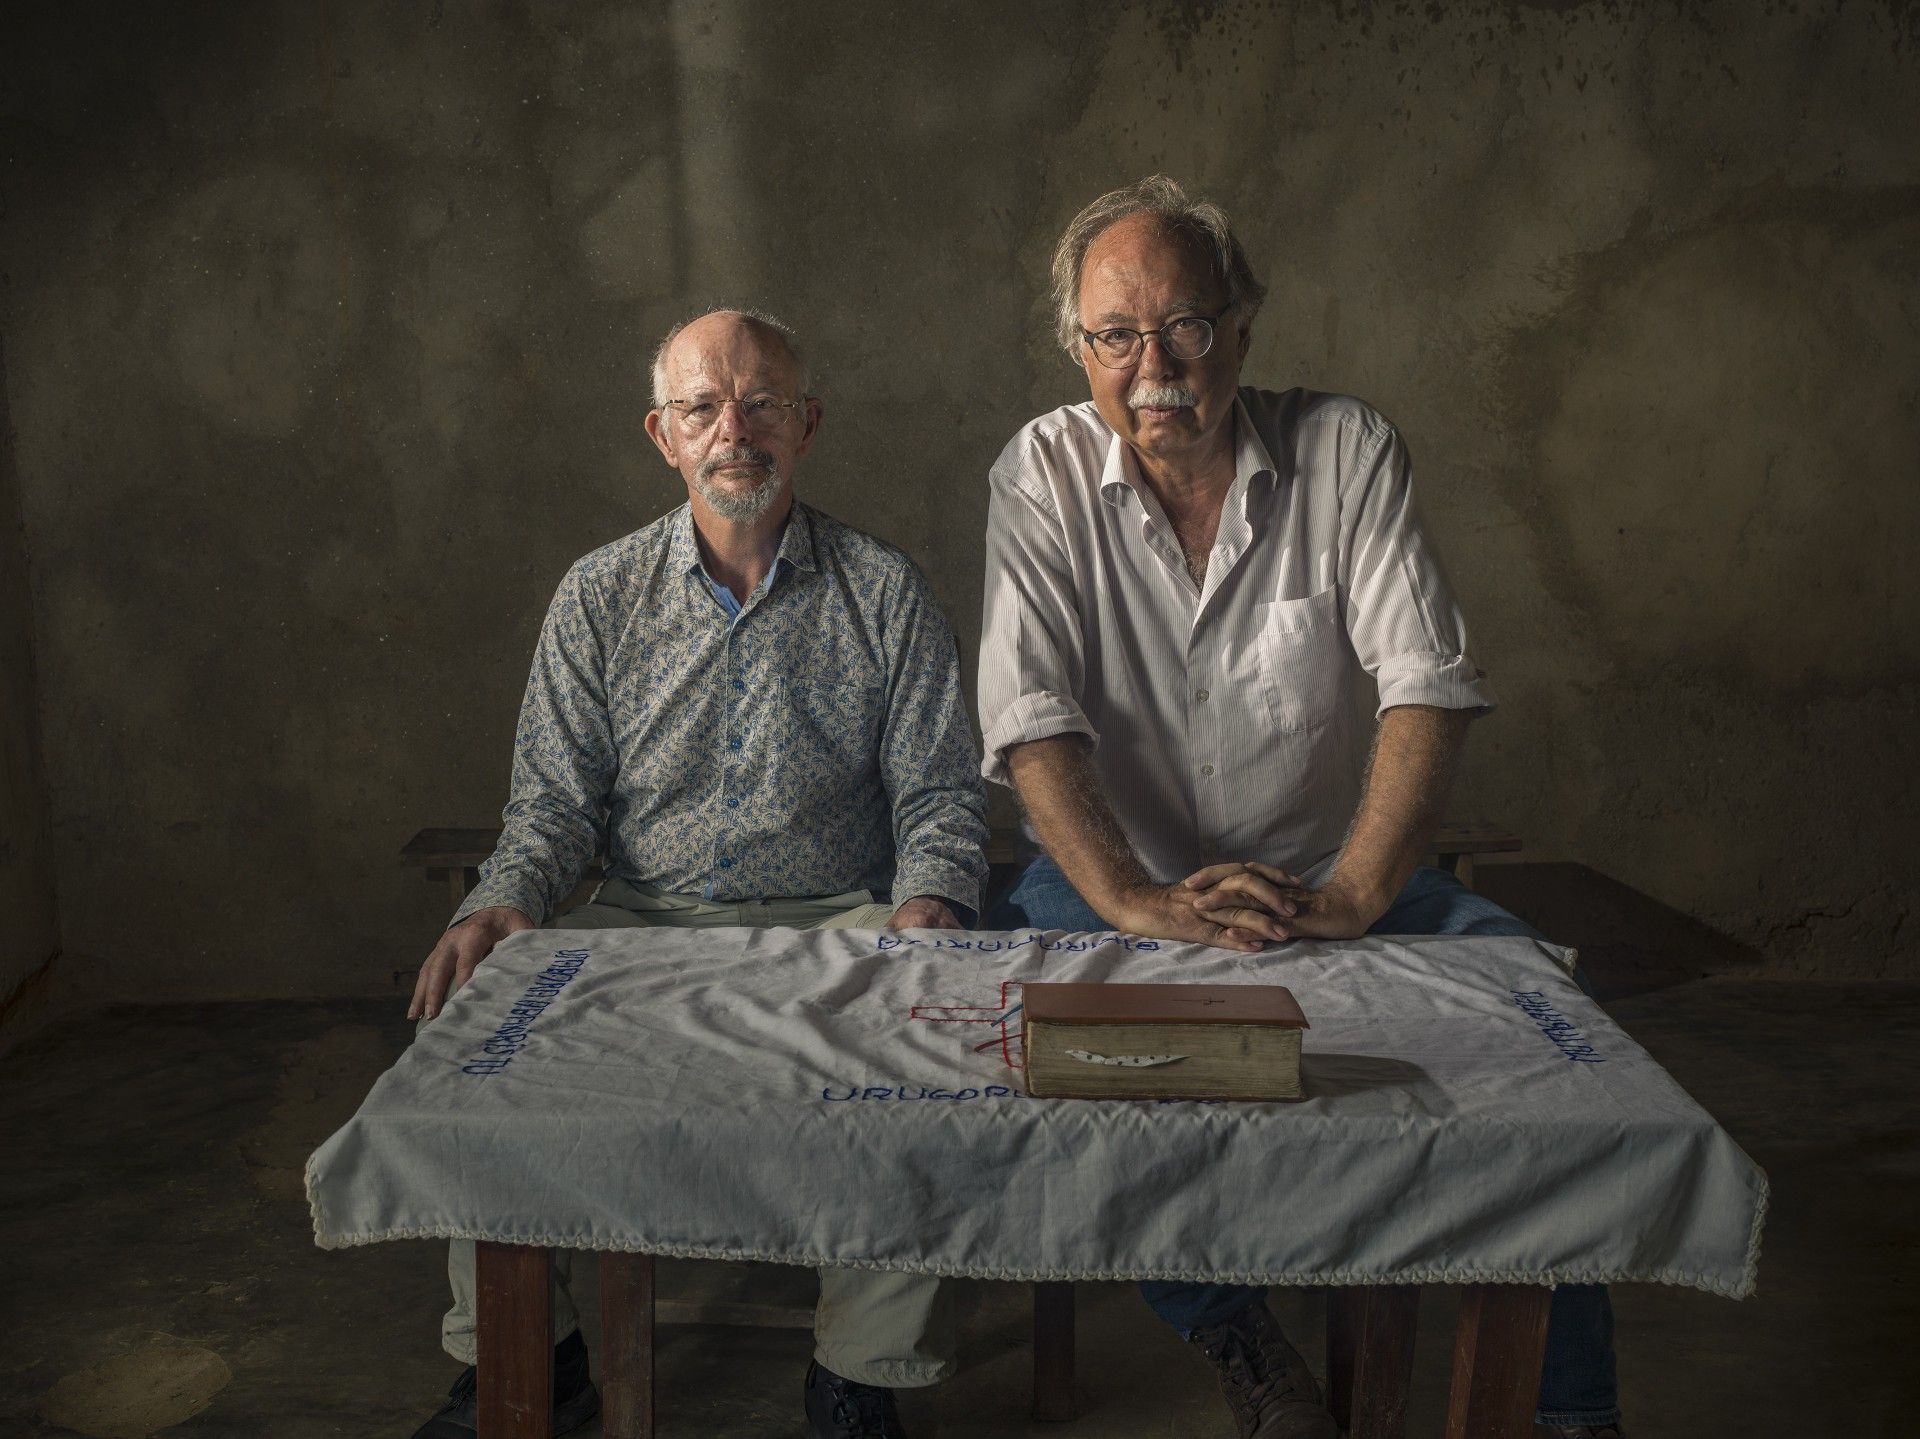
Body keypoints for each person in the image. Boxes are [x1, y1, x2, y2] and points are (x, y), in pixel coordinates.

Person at [977, 177, 1623, 1439]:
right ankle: (1237, 1327)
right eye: (1117, 335)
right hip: (1114, 871)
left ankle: (1571, 1409)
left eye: (1186, 325)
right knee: (1048, 1051)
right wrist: (1136, 901)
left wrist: (1358, 892)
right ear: (1079, 350)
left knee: (1548, 1033)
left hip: (1328, 871)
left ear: (1242, 326)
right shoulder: (1038, 471)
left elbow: (1425, 680)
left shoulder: (1347, 446)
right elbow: (1028, 713)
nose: (1155, 366)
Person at [405, 308, 986, 1439]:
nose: (735, 430)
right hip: (639, 919)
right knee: (476, 1034)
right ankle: (532, 1356)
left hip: (837, 918)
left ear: (807, 424)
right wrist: (502, 899)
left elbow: (936, 793)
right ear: (661, 434)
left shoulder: (882, 589)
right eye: (703, 407)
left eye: (762, 403)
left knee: (932, 1051)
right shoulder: (599, 594)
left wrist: (928, 904)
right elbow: (553, 805)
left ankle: (858, 1373)